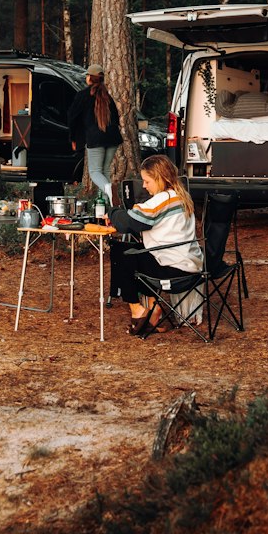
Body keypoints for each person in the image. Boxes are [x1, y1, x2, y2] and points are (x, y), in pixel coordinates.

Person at [108, 154, 203, 337]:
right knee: (139, 255)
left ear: (160, 179)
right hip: (190, 264)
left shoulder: (162, 200)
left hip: (172, 268)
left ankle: (138, 310)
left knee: (121, 252)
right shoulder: (181, 197)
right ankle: (153, 309)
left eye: (147, 181)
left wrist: (112, 212)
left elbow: (128, 223)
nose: (144, 185)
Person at [68, 64, 122, 203]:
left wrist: (73, 138)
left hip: (95, 138)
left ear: (90, 78)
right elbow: (116, 117)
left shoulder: (82, 96)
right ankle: (107, 206)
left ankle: (109, 190)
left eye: (87, 75)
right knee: (105, 171)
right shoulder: (107, 96)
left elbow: (72, 117)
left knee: (95, 172)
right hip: (113, 137)